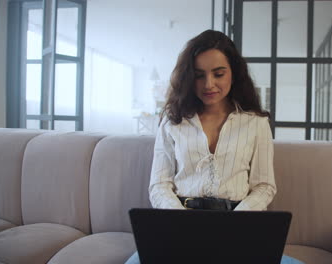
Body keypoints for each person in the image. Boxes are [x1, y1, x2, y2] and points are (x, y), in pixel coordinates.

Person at [125, 30, 304, 264]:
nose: (209, 84)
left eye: (218, 74)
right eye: (199, 75)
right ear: (189, 78)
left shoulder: (256, 122)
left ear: (234, 73)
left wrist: (234, 225)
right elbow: (159, 184)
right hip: (179, 225)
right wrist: (181, 223)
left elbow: (264, 186)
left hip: (238, 226)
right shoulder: (173, 120)